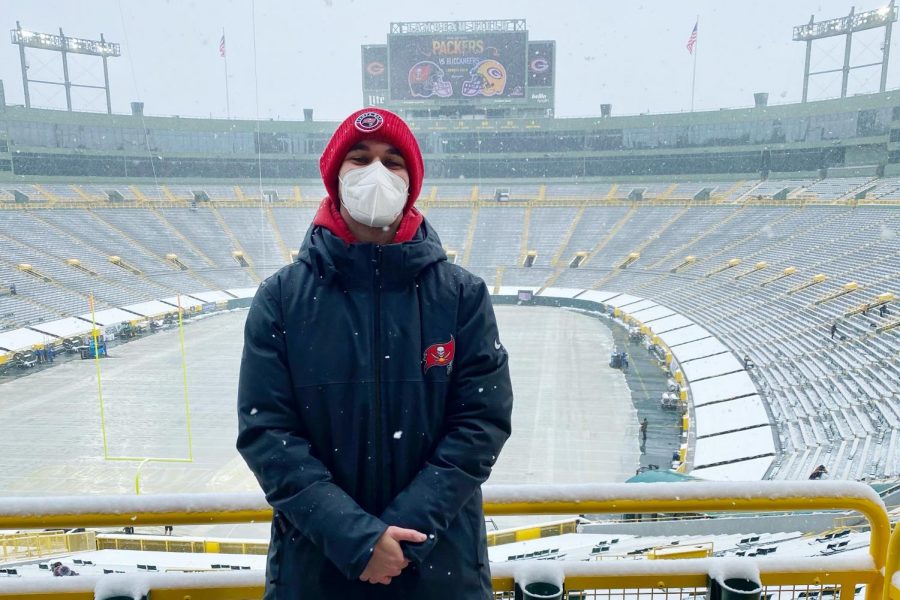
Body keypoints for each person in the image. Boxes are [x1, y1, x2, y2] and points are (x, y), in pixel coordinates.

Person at [236, 107, 513, 600]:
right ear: (334, 178)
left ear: (413, 180)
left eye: (393, 161)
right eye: (359, 159)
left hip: (438, 567)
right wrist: (356, 540)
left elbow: (481, 423)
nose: (377, 173)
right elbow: (267, 433)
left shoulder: (461, 296)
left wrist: (402, 537)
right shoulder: (281, 299)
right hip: (319, 569)